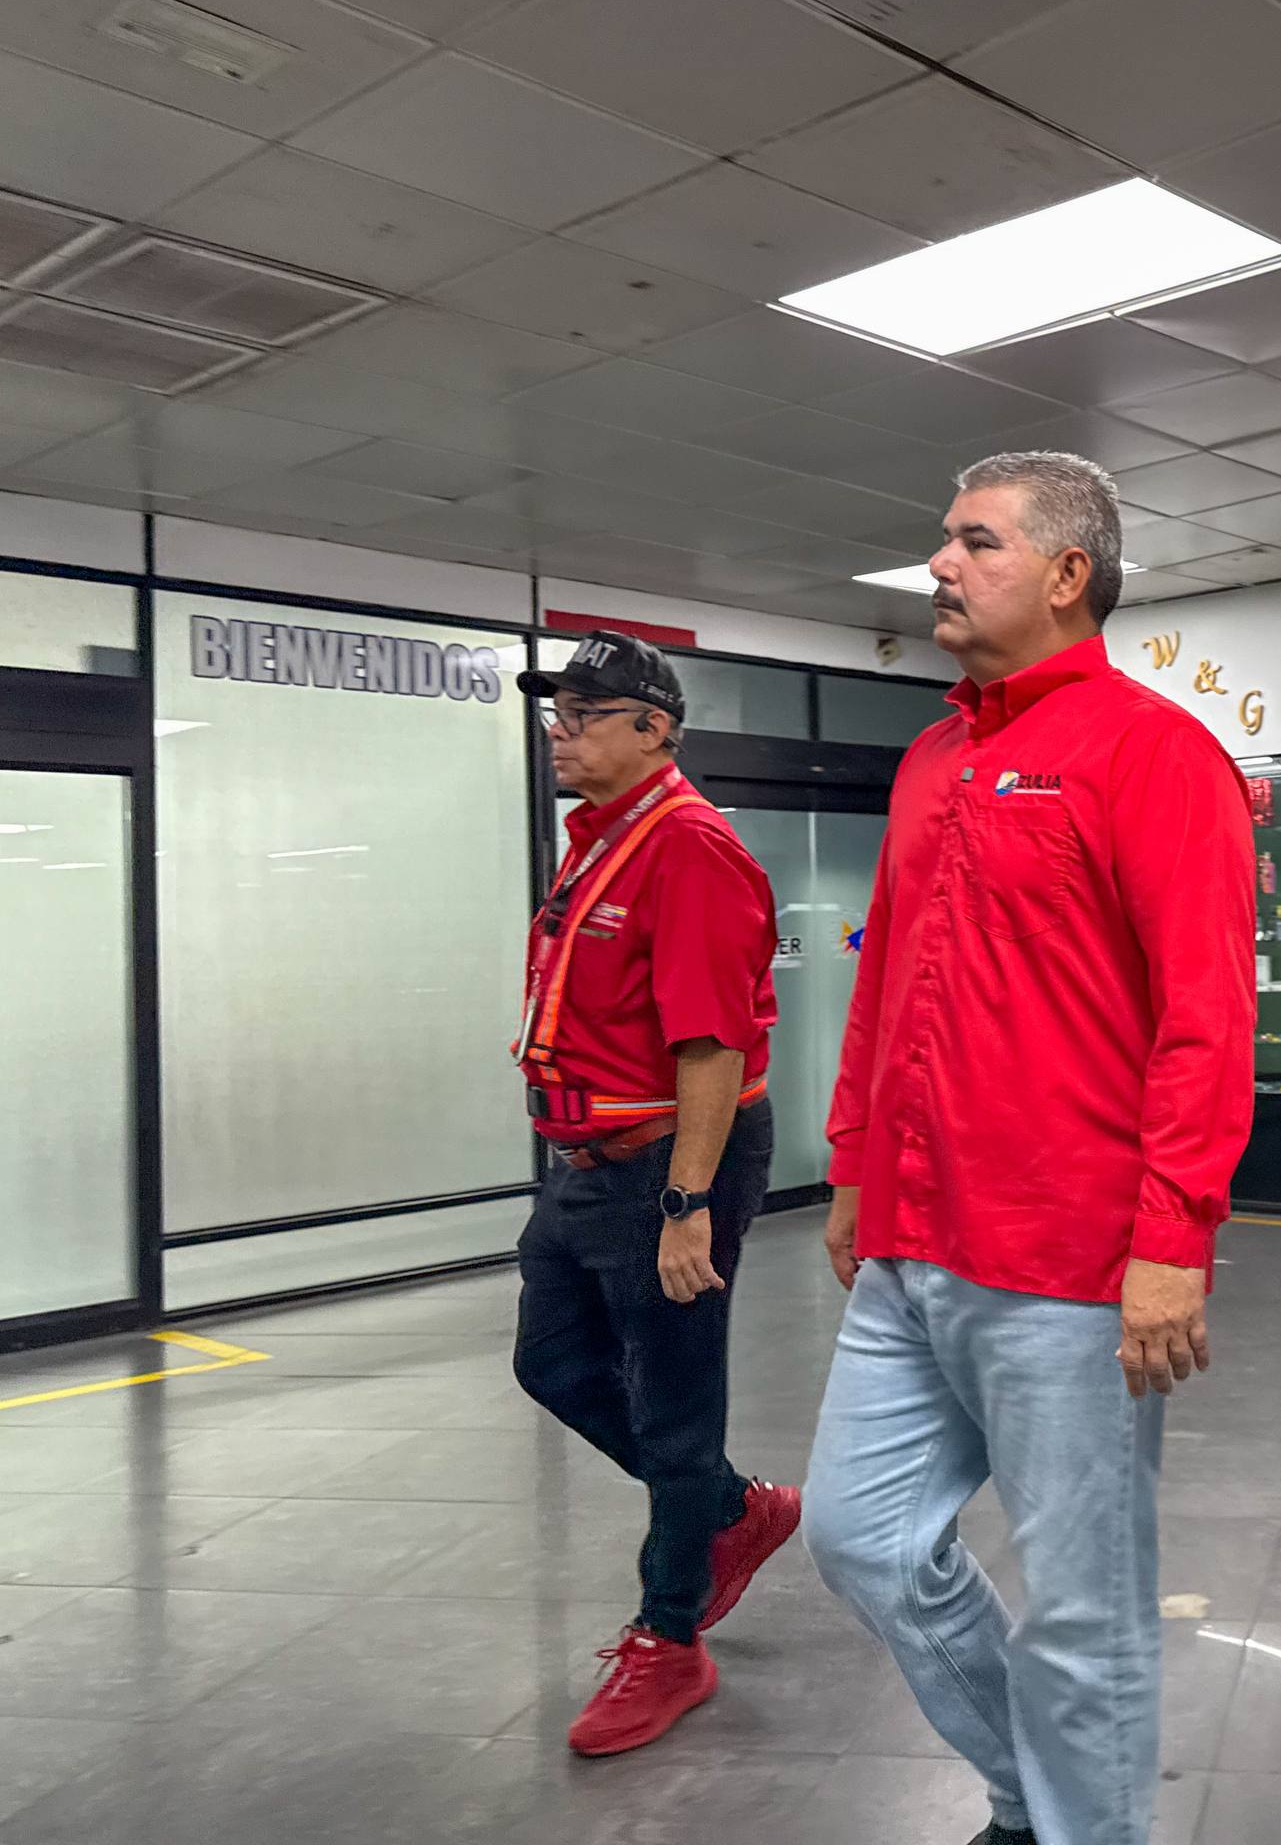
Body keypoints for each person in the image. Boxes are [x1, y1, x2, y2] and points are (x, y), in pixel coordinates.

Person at [805, 451, 1254, 1845]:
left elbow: (1205, 1017)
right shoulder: (932, 758)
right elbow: (886, 986)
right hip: (911, 1243)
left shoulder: (1154, 753)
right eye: (943, 540)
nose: (940, 565)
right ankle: (1032, 1790)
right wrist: (854, 1164)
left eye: (975, 541)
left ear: (1068, 573)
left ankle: (1071, 1825)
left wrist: (1172, 1242)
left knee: (1083, 1610)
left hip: (1069, 1266)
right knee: (860, 1537)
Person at [508, 630, 799, 1757]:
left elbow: (712, 1045)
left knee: (675, 1404)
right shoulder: (600, 840)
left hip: (672, 1159)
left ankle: (669, 1637)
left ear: (655, 729)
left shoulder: (690, 850)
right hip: (585, 1162)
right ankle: (727, 1508)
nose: (561, 734)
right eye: (557, 714)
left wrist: (687, 1207)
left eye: (585, 715)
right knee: (550, 1362)